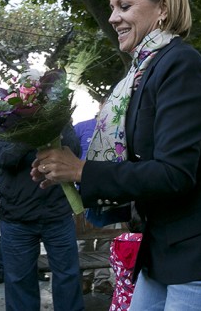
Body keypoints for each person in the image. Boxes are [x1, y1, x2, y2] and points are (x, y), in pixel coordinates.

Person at [30, 0, 201, 309]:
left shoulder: (180, 64)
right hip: (162, 245)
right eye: (111, 8)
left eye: (124, 6)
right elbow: (134, 164)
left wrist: (81, 171)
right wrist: (66, 172)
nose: (112, 18)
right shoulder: (142, 71)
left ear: (163, 8)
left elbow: (173, 174)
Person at [0, 124, 84, 311]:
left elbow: (74, 149)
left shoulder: (58, 119)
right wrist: (34, 133)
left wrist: (55, 126)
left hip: (57, 214)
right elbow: (3, 157)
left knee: (68, 276)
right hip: (18, 217)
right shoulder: (6, 122)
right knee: (19, 281)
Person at [73, 101, 114, 295]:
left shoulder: (117, 128)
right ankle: (85, 277)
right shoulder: (81, 128)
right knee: (84, 241)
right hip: (83, 193)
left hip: (109, 192)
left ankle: (102, 280)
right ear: (100, 105)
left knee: (107, 239)